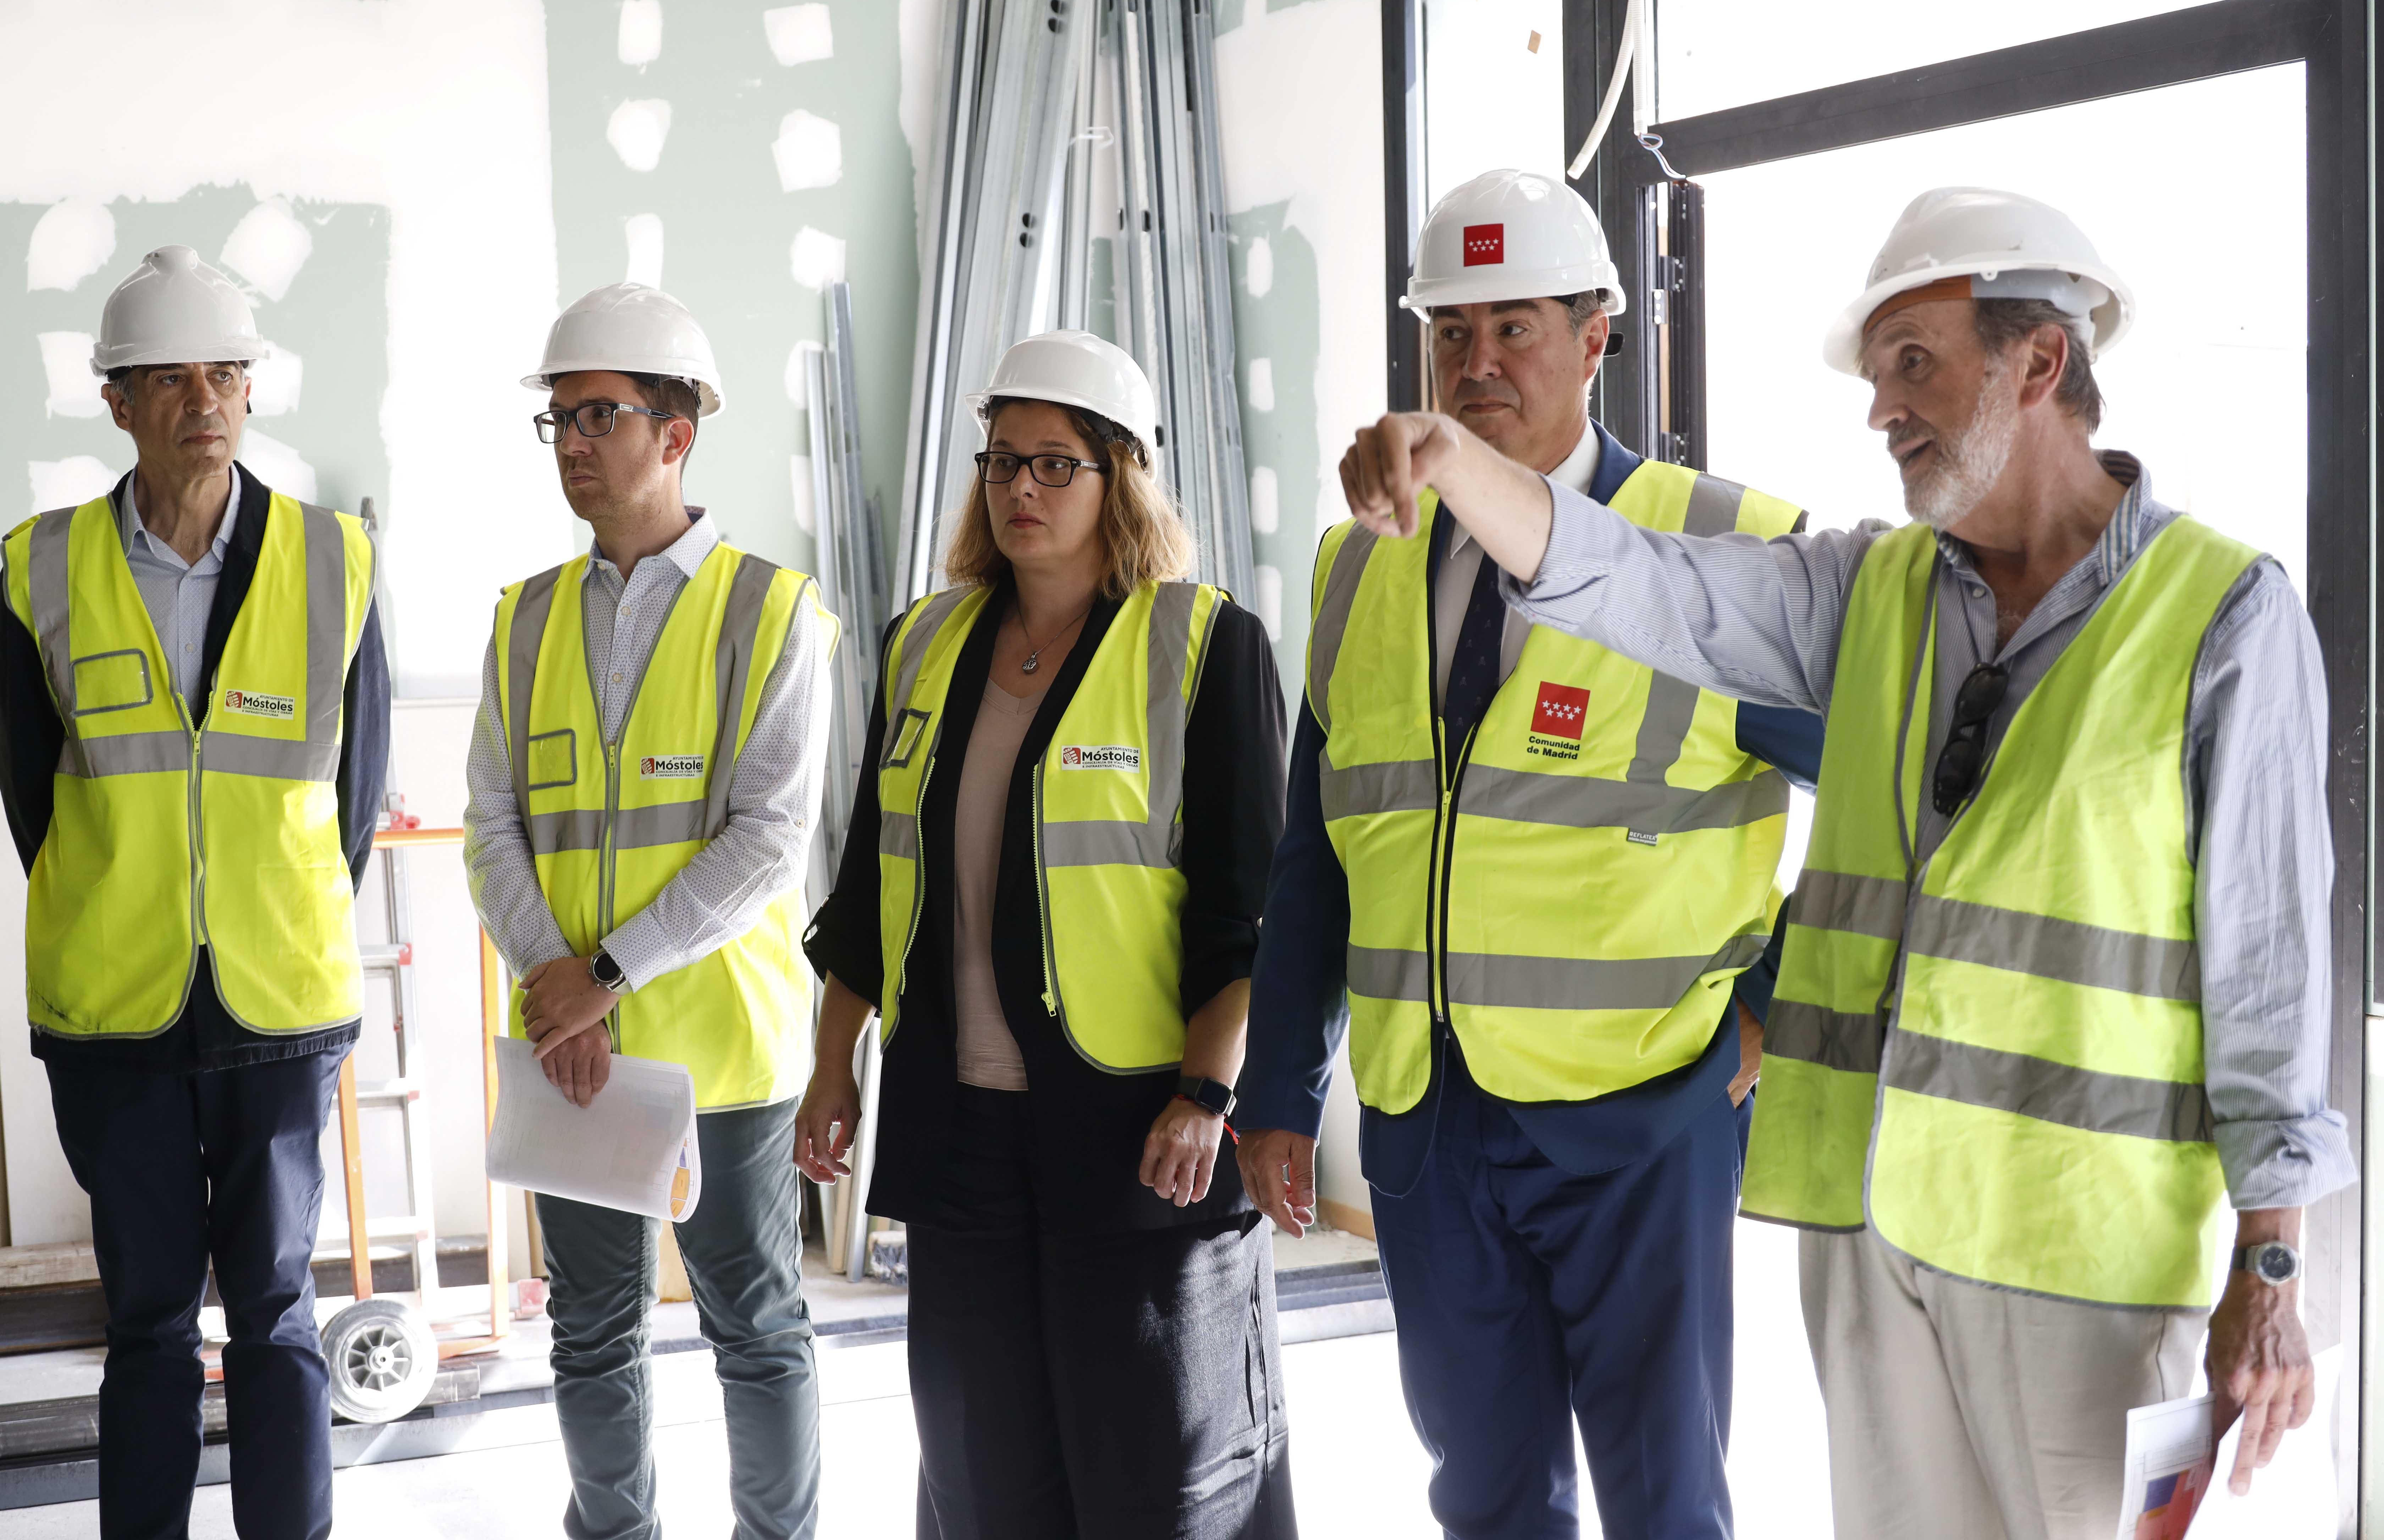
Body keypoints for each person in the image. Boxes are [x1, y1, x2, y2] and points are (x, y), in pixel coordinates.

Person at [1334, 186, 2356, 1539]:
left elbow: (2270, 970)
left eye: (1914, 363)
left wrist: (2272, 1266)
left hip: (2086, 1261)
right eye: (1878, 375)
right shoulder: (1868, 591)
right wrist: (1454, 462)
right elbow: (1645, 585)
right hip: (1874, 1239)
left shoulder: (2223, 615)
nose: (1882, 409)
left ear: (2039, 361)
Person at [1235, 170, 1821, 1539]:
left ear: (1597, 337)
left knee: (1665, 1502)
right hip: (1430, 1126)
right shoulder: (1359, 566)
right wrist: (1280, 1081)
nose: (1478, 363)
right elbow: (1319, 853)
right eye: (1453, 333)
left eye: (1516, 329)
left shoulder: (1722, 546)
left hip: (1644, 1114)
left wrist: (1774, 1000)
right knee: (1487, 1499)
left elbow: (1890, 807)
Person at [797, 329, 1295, 1539]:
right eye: (1003, 462)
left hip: (1139, 1133)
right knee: (982, 1473)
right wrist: (831, 1065)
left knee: (1157, 1474)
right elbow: (870, 883)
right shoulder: (926, 644)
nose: (1021, 487)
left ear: (1124, 476)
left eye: (1056, 464)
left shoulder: (1203, 644)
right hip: (959, 1129)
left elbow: (1250, 913)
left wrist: (1208, 1095)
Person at [0, 245, 389, 1540]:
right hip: (114, 1009)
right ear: (116, 401)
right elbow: (31, 795)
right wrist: (124, 899)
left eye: (224, 372)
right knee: (151, 1320)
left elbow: (354, 795)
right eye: (169, 379)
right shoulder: (35, 567)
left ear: (252, 387)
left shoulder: (337, 558)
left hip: (281, 1003)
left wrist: (271, 911)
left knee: (277, 1311)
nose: (203, 400)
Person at [460, 283, 838, 1540]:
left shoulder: (771, 612)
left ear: (677, 435)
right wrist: (557, 984)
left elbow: (770, 840)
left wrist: (604, 975)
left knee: (756, 1328)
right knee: (589, 1330)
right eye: (560, 419)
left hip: (724, 1053)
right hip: (578, 1054)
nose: (572, 442)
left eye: (599, 416)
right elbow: (491, 827)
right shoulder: (524, 622)